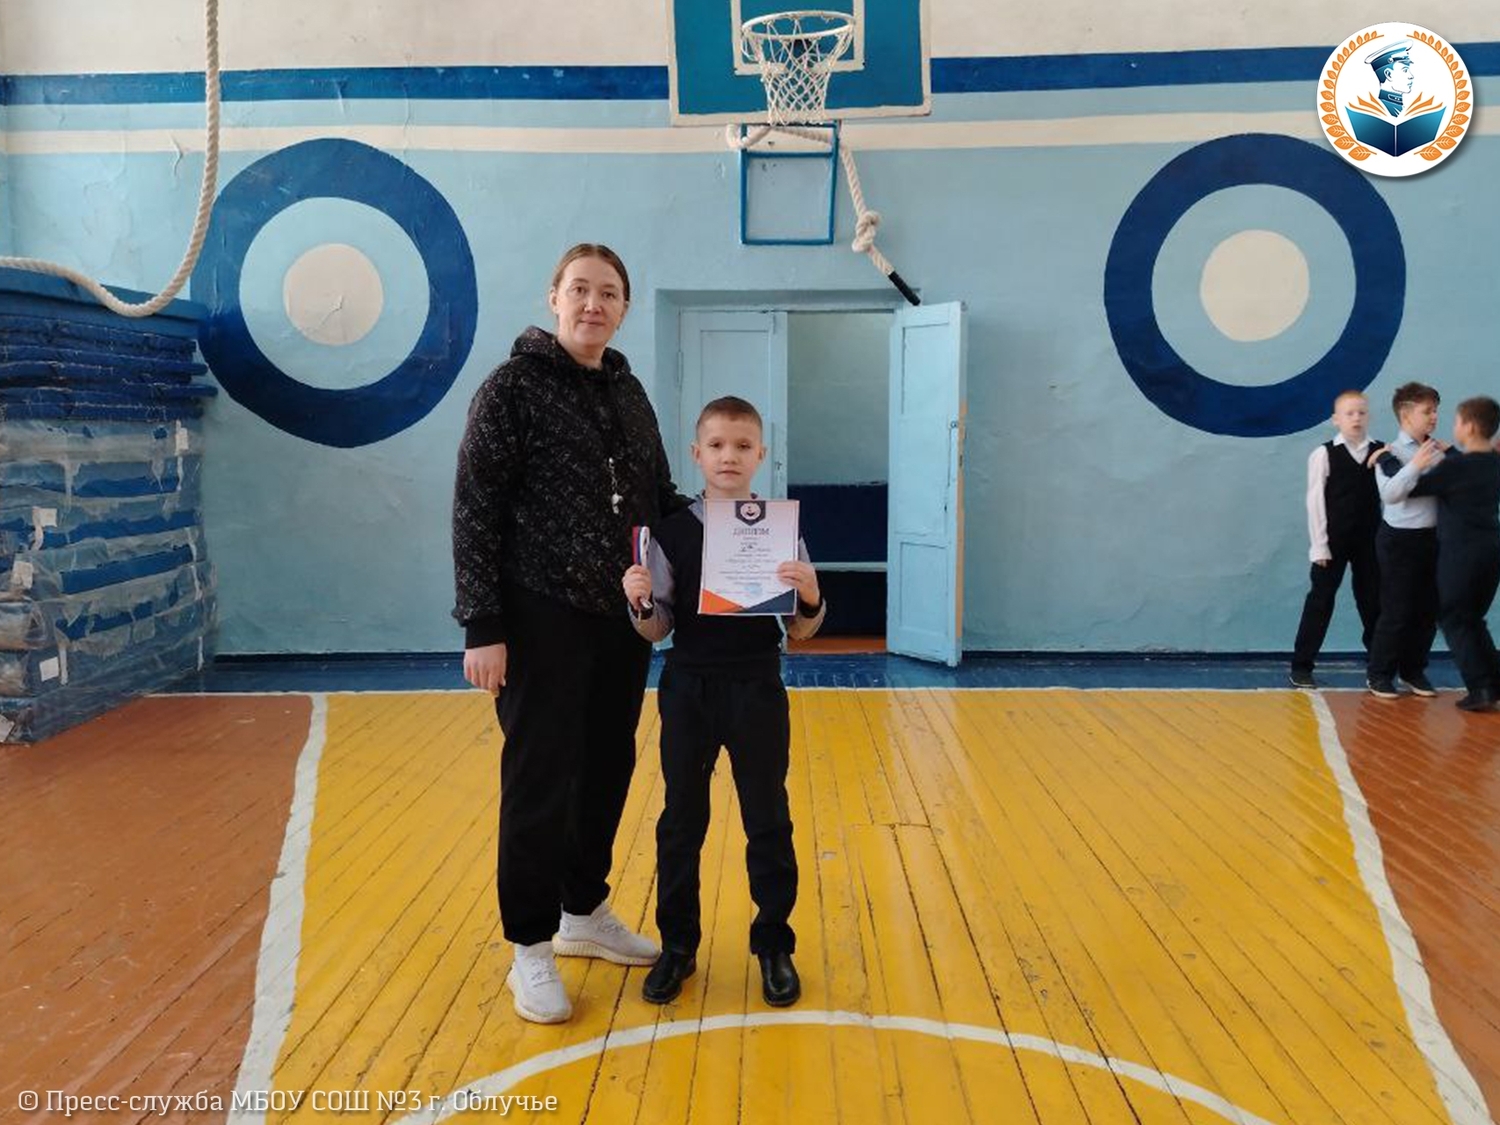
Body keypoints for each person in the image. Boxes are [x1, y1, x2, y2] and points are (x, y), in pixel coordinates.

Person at [451, 243, 689, 1024]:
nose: (594, 303)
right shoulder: (511, 388)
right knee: (539, 779)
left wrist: (738, 534)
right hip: (538, 617)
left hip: (620, 619)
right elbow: (475, 507)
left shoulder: (629, 391)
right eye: (580, 289)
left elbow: (658, 496)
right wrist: (483, 624)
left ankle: (583, 909)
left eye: (609, 293)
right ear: (554, 297)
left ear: (624, 308)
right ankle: (530, 944)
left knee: (607, 767)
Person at [621, 396, 826, 1008]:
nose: (728, 456)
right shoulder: (672, 532)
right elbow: (657, 628)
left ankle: (774, 945)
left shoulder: (782, 530)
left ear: (760, 454)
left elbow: (801, 631)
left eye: (741, 446)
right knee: (682, 820)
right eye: (716, 445)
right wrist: (639, 602)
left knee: (768, 817)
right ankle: (678, 946)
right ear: (697, 454)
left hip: (757, 686)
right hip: (688, 686)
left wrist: (811, 597)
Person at [1397, 397, 1500, 711]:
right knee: (1472, 619)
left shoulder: (1455, 467)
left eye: (1456, 421)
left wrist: (1395, 461)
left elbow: (1413, 488)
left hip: (1462, 553)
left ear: (1468, 427)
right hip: (1491, 550)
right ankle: (1494, 682)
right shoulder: (1493, 463)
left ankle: (1480, 688)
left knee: (1453, 617)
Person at [1289, 391, 1385, 688]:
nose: (1356, 418)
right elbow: (1315, 501)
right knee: (1320, 601)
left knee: (1373, 601)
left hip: (1370, 540)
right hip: (1333, 542)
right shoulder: (1323, 454)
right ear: (1336, 420)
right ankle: (1301, 665)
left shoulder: (1381, 451)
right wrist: (1319, 544)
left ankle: (1379, 667)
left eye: (1361, 413)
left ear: (1368, 416)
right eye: (1349, 413)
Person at [1367, 382, 1444, 699]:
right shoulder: (1389, 454)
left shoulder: (1439, 452)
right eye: (1428, 411)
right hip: (1398, 541)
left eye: (1436, 411)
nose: (1434, 417)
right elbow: (1391, 494)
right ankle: (1379, 674)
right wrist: (1415, 466)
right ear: (1406, 414)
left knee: (1427, 611)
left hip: (1433, 539)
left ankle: (1414, 671)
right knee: (1397, 610)